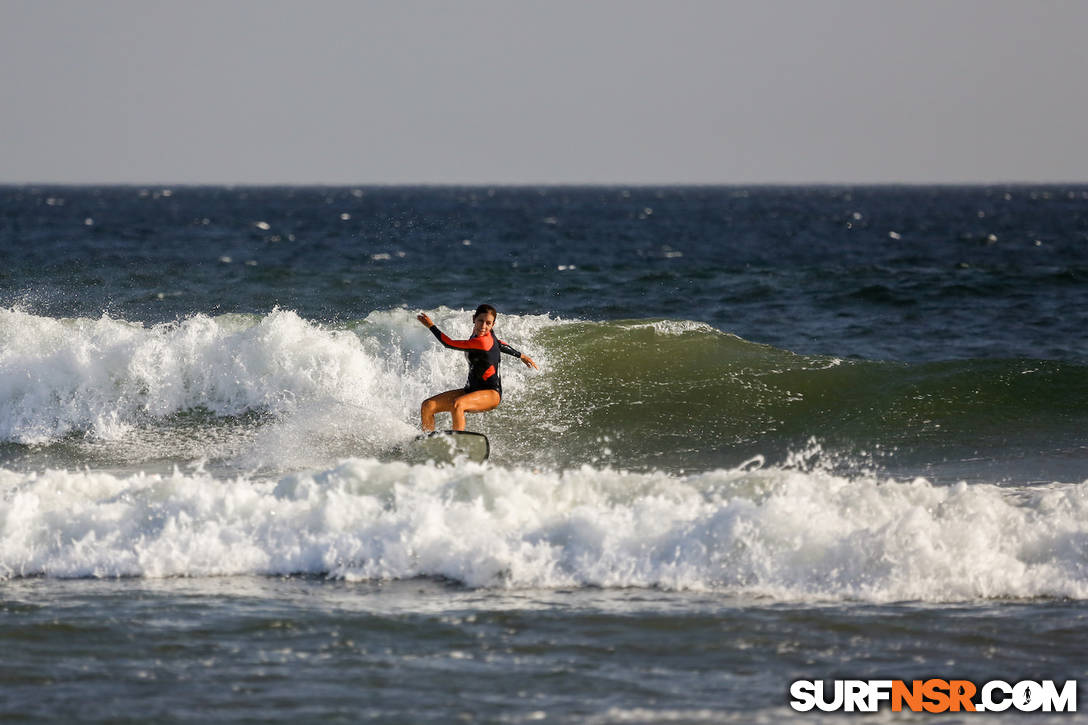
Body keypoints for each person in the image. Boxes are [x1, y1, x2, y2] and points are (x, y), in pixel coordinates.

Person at [416, 304, 538, 432]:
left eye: (488, 323)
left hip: (491, 394)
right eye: (480, 321)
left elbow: (448, 343)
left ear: (493, 325)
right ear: (474, 319)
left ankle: (458, 442)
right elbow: (499, 344)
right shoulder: (483, 334)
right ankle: (428, 441)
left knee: (458, 404)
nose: (483, 326)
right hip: (471, 390)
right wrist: (520, 355)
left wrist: (431, 326)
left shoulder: (481, 342)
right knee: (428, 406)